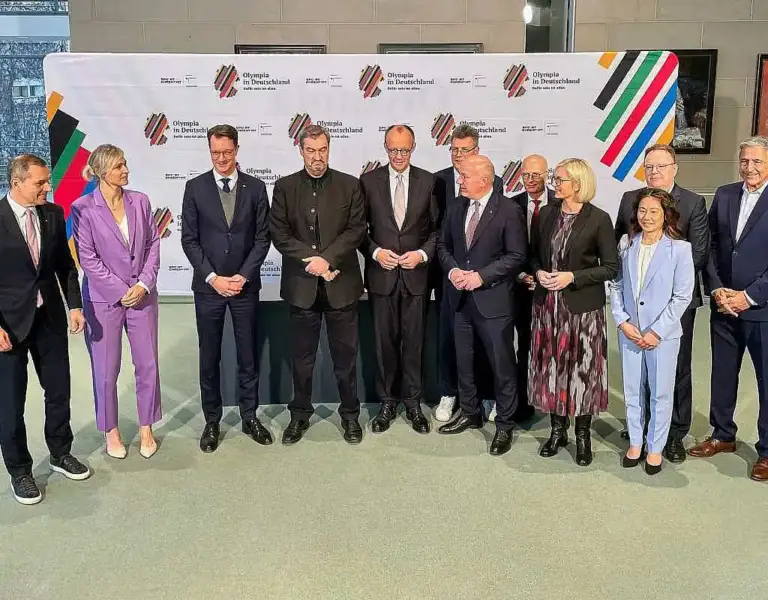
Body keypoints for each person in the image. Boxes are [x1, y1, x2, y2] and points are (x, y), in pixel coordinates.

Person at [0, 154, 91, 505]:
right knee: (11, 403)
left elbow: (65, 266)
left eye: (47, 181)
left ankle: (60, 452)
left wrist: (75, 305)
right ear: (17, 183)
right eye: (39, 183)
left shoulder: (53, 213)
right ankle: (20, 471)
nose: (47, 188)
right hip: (8, 326)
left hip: (49, 318)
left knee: (59, 391)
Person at [269, 125, 366, 445]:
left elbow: (356, 230)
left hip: (342, 286)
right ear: (301, 151)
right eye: (311, 151)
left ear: (329, 149)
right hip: (301, 287)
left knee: (346, 360)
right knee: (302, 359)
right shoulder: (285, 187)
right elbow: (279, 233)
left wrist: (328, 260)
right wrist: (312, 260)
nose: (317, 157)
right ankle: (299, 415)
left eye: (322, 150)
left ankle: (350, 416)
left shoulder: (350, 185)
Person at [614, 144, 709, 462]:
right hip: (634, 308)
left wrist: (663, 298)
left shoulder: (693, 202)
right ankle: (639, 430)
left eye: (661, 166)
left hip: (674, 306)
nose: (654, 172)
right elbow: (619, 254)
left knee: (675, 372)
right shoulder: (630, 199)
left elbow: (698, 253)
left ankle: (673, 434)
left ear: (674, 168)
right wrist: (625, 314)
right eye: (649, 166)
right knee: (636, 378)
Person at [181, 125, 272, 453]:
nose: (221, 158)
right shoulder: (194, 188)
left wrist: (243, 276)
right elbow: (189, 240)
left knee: (248, 356)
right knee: (210, 357)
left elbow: (262, 238)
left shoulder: (256, 188)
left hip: (245, 288)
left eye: (227, 152)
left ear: (237, 149)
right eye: (215, 152)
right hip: (209, 289)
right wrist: (212, 278)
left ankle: (250, 416)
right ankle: (212, 420)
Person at [71, 144, 162, 460]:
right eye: (118, 166)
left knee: (147, 364)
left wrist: (143, 284)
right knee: (106, 370)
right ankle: (110, 430)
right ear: (100, 171)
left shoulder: (140, 201)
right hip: (103, 301)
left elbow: (152, 245)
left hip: (143, 296)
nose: (125, 170)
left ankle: (146, 427)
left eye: (125, 164)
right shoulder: (82, 208)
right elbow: (87, 258)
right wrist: (121, 290)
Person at [529, 158, 618, 466]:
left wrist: (572, 277)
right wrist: (539, 272)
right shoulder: (546, 214)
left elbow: (610, 268)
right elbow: (533, 256)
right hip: (548, 309)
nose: (554, 183)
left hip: (582, 312)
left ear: (578, 184)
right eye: (554, 178)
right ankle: (557, 431)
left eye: (560, 179)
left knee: (582, 372)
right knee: (552, 369)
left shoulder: (599, 219)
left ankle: (582, 435)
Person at [436, 155, 527, 456]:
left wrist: (481, 277)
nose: (459, 180)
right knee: (464, 361)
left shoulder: (509, 210)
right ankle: (470, 412)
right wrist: (452, 271)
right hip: (460, 300)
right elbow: (443, 245)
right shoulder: (455, 206)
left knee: (502, 365)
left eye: (464, 176)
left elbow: (516, 256)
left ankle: (504, 424)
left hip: (493, 302)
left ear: (484, 180)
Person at [690, 136, 768, 482]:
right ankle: (723, 434)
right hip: (723, 305)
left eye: (757, 161)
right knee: (722, 374)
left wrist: (748, 296)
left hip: (761, 308)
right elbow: (710, 245)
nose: (749, 167)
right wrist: (717, 288)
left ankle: (767, 451)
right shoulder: (724, 195)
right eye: (745, 161)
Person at [360, 124, 438, 434]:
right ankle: (387, 403)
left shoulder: (429, 182)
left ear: (414, 147)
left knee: (414, 344)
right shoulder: (368, 182)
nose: (399, 155)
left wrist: (422, 255)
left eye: (404, 149)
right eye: (393, 149)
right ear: (385, 147)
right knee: (384, 345)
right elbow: (358, 230)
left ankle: (413, 403)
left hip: (416, 278)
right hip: (382, 277)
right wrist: (376, 252)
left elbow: (437, 231)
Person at [611, 189, 694, 474]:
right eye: (642, 210)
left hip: (662, 336)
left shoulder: (680, 249)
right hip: (630, 332)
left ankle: (655, 447)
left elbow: (682, 296)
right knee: (633, 389)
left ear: (666, 215)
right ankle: (636, 442)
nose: (647, 217)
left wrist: (657, 332)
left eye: (654, 211)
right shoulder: (626, 243)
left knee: (660, 393)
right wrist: (622, 321)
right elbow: (616, 284)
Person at [433, 125, 503, 422]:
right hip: (449, 274)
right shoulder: (438, 181)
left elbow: (494, 233)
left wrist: (480, 274)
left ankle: (486, 396)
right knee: (450, 339)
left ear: (477, 150)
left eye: (465, 150)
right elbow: (436, 230)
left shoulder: (494, 181)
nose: (459, 155)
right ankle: (449, 393)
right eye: (455, 150)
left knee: (485, 342)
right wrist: (452, 269)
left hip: (483, 281)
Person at [510, 154, 557, 423]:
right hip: (520, 288)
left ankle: (552, 401)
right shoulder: (511, 204)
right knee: (524, 346)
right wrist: (520, 275)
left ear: (547, 175)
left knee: (553, 347)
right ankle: (523, 402)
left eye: (535, 175)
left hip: (552, 288)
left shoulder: (560, 203)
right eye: (525, 175)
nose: (529, 180)